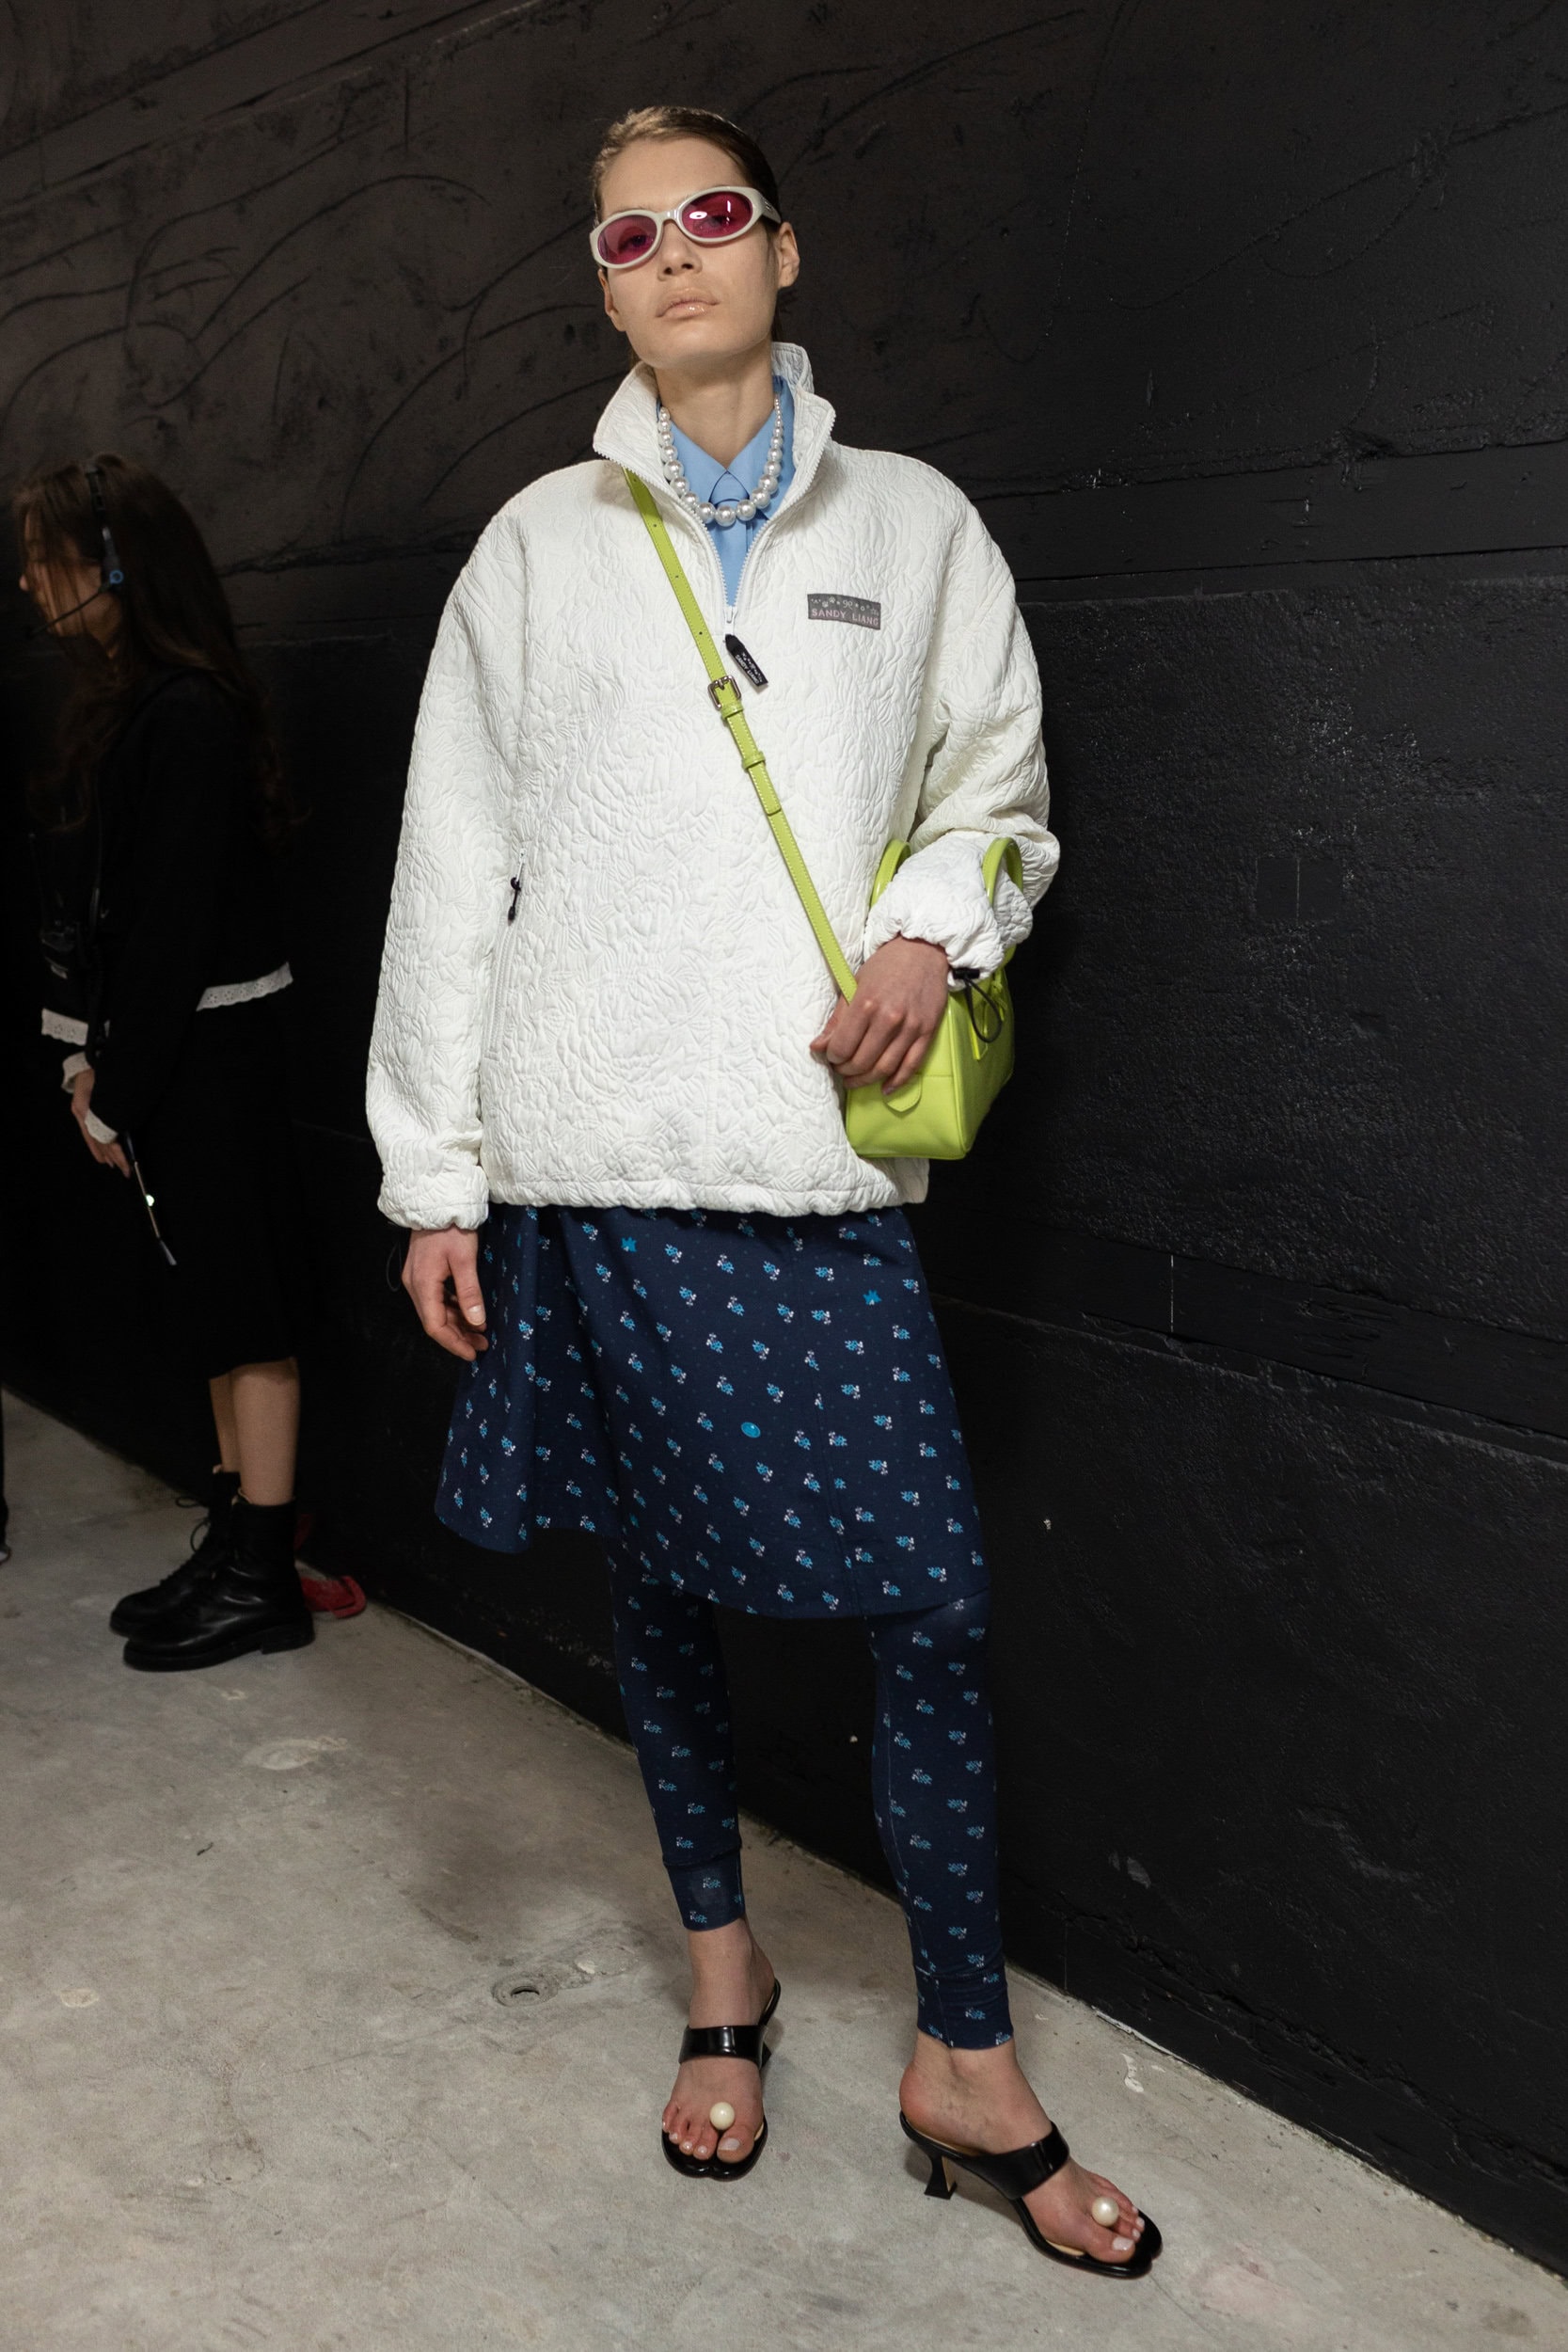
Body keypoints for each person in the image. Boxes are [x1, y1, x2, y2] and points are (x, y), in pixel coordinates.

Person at [369, 105, 1161, 2275]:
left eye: (711, 214)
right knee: (661, 1587)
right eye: (628, 236)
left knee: (933, 1603)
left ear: (784, 250)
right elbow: (450, 865)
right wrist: (435, 1171)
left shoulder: (913, 522)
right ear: (605, 284)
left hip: (815, 1163)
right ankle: (723, 1963)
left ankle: (966, 2054)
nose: (674, 252)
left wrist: (928, 927)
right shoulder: (534, 546)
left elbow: (998, 785)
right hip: (593, 1158)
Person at [17, 453, 316, 1671]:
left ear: (116, 568)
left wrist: (116, 1088)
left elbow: (173, 930)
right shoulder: (131, 704)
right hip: (166, 1055)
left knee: (245, 1309)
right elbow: (106, 913)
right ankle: (236, 1539)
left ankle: (265, 1575)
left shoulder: (187, 711)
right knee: (208, 1302)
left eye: (49, 561)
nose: (32, 583)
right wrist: (86, 1064)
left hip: (212, 1053)